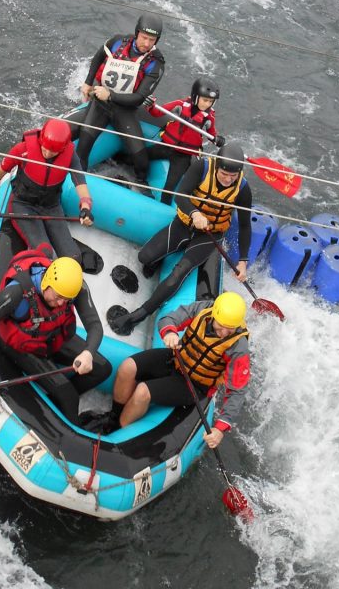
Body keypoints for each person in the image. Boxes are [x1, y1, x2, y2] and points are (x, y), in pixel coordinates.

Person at [107, 143, 252, 336]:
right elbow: (180, 195)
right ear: (217, 166)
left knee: (179, 273)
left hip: (210, 234)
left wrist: (243, 261)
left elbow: (245, 225)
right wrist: (194, 213)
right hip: (185, 223)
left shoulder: (243, 189)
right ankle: (158, 259)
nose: (228, 179)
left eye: (232, 176)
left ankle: (140, 314)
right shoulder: (201, 167)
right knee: (145, 257)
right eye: (224, 174)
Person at [0, 246, 112, 429]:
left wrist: (88, 353)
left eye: (66, 299)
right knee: (69, 397)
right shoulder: (15, 294)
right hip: (23, 347)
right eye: (58, 297)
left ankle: (54, 399)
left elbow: (94, 325)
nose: (61, 303)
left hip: (52, 337)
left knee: (103, 369)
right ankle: (66, 405)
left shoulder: (74, 288)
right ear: (47, 282)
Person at [106, 292, 250, 443]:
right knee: (127, 367)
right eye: (221, 326)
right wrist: (169, 332)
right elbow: (169, 319)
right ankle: (113, 418)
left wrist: (220, 428)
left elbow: (237, 391)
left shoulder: (239, 348)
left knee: (142, 391)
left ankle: (118, 433)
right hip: (176, 359)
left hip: (194, 385)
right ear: (214, 314)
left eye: (230, 329)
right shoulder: (202, 309)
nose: (224, 333)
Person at [0, 118, 93, 262]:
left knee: (74, 257)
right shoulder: (23, 149)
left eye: (53, 152)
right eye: (45, 148)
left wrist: (86, 207)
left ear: (63, 149)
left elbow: (80, 182)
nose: (47, 153)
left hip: (51, 206)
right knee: (45, 252)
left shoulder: (70, 155)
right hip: (23, 204)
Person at [76, 14, 166, 190]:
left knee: (141, 159)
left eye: (152, 40)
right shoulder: (117, 41)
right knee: (83, 146)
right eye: (144, 37)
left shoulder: (156, 63)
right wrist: (87, 82)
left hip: (125, 108)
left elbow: (139, 98)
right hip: (100, 104)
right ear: (137, 33)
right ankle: (78, 184)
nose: (147, 43)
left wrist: (110, 95)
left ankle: (141, 187)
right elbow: (98, 57)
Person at [145, 78, 222, 205]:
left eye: (210, 101)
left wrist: (218, 139)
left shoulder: (209, 118)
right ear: (195, 96)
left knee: (169, 188)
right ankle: (121, 166)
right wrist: (151, 105)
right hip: (166, 146)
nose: (207, 104)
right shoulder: (180, 105)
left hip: (183, 156)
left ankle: (163, 208)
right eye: (205, 100)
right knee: (141, 156)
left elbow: (212, 135)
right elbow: (157, 112)